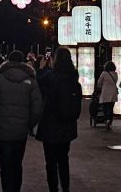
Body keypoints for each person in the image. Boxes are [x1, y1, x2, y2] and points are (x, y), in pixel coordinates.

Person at [0, 50, 44, 192]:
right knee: (17, 163)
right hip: (21, 129)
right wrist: (30, 124)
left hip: (1, 129)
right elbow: (37, 105)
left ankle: (7, 188)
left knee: (5, 164)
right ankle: (16, 189)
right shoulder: (31, 80)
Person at [36, 48, 82, 192]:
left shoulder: (50, 77)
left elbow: (38, 85)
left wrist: (41, 69)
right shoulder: (73, 78)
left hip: (50, 125)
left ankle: (54, 188)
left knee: (51, 162)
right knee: (63, 159)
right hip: (67, 125)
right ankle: (66, 187)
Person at [96, 61, 118, 131]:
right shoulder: (115, 74)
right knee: (111, 108)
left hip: (106, 93)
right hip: (113, 93)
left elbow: (99, 83)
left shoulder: (104, 73)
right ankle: (110, 122)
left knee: (105, 108)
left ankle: (106, 120)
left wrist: (101, 86)